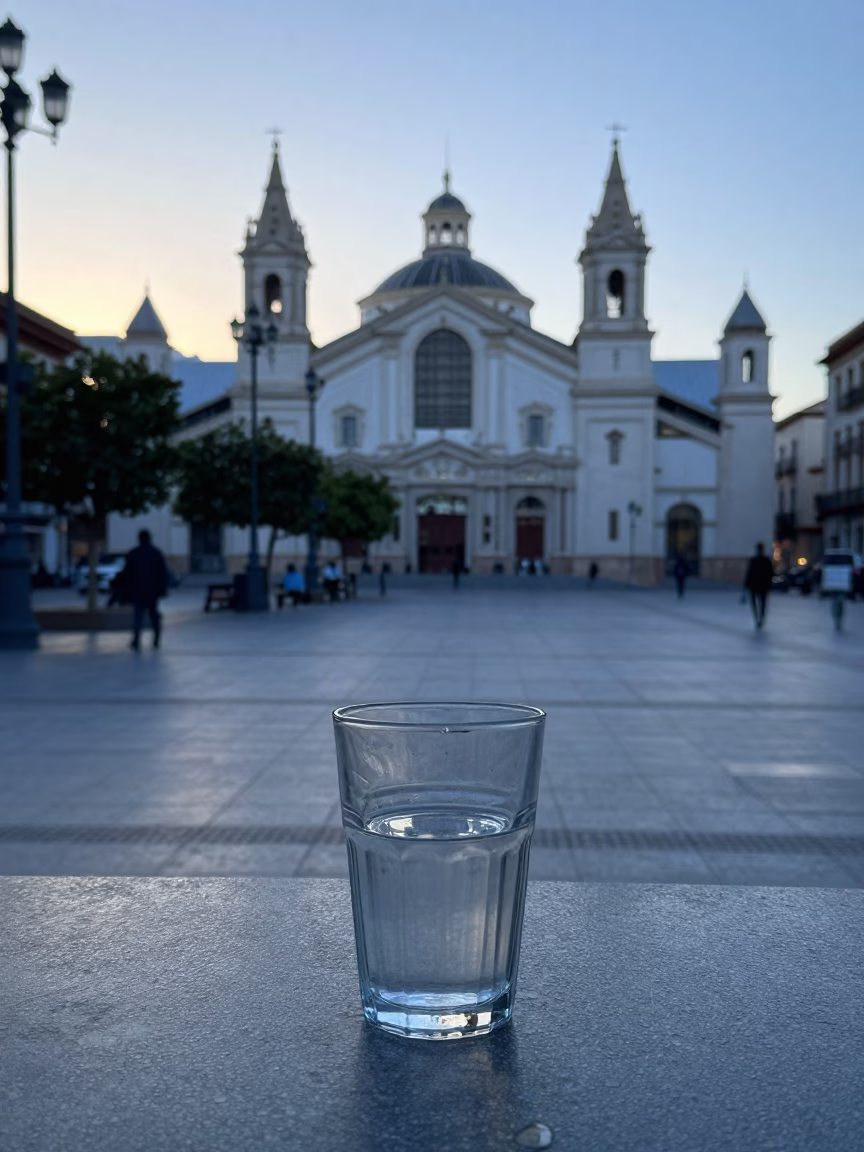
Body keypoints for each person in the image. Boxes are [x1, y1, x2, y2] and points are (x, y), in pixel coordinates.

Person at [124, 529, 170, 650]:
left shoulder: (133, 554)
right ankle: (156, 639)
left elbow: (127, 574)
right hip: (152, 591)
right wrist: (162, 589)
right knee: (153, 615)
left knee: (138, 616)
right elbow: (163, 573)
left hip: (137, 591)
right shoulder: (156, 553)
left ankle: (137, 639)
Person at [743, 542, 775, 630]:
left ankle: (758, 618)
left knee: (757, 603)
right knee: (762, 604)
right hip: (761, 585)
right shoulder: (765, 560)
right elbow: (771, 573)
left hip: (756, 585)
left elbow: (749, 573)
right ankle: (760, 618)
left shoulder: (755, 560)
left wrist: (746, 585)